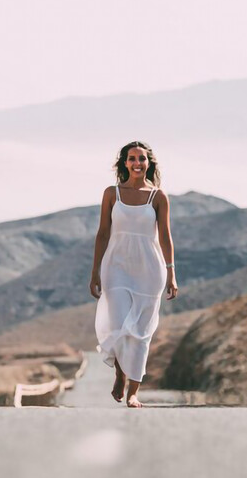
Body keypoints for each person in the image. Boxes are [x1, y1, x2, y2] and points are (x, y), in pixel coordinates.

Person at [90, 140, 178, 408]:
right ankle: (120, 372)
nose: (137, 163)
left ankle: (133, 393)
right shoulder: (111, 193)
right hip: (115, 266)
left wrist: (172, 272)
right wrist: (95, 271)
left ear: (148, 163)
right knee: (118, 325)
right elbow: (103, 233)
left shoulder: (158, 196)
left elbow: (165, 236)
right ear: (124, 163)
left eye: (141, 158)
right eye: (132, 158)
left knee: (140, 332)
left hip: (149, 269)